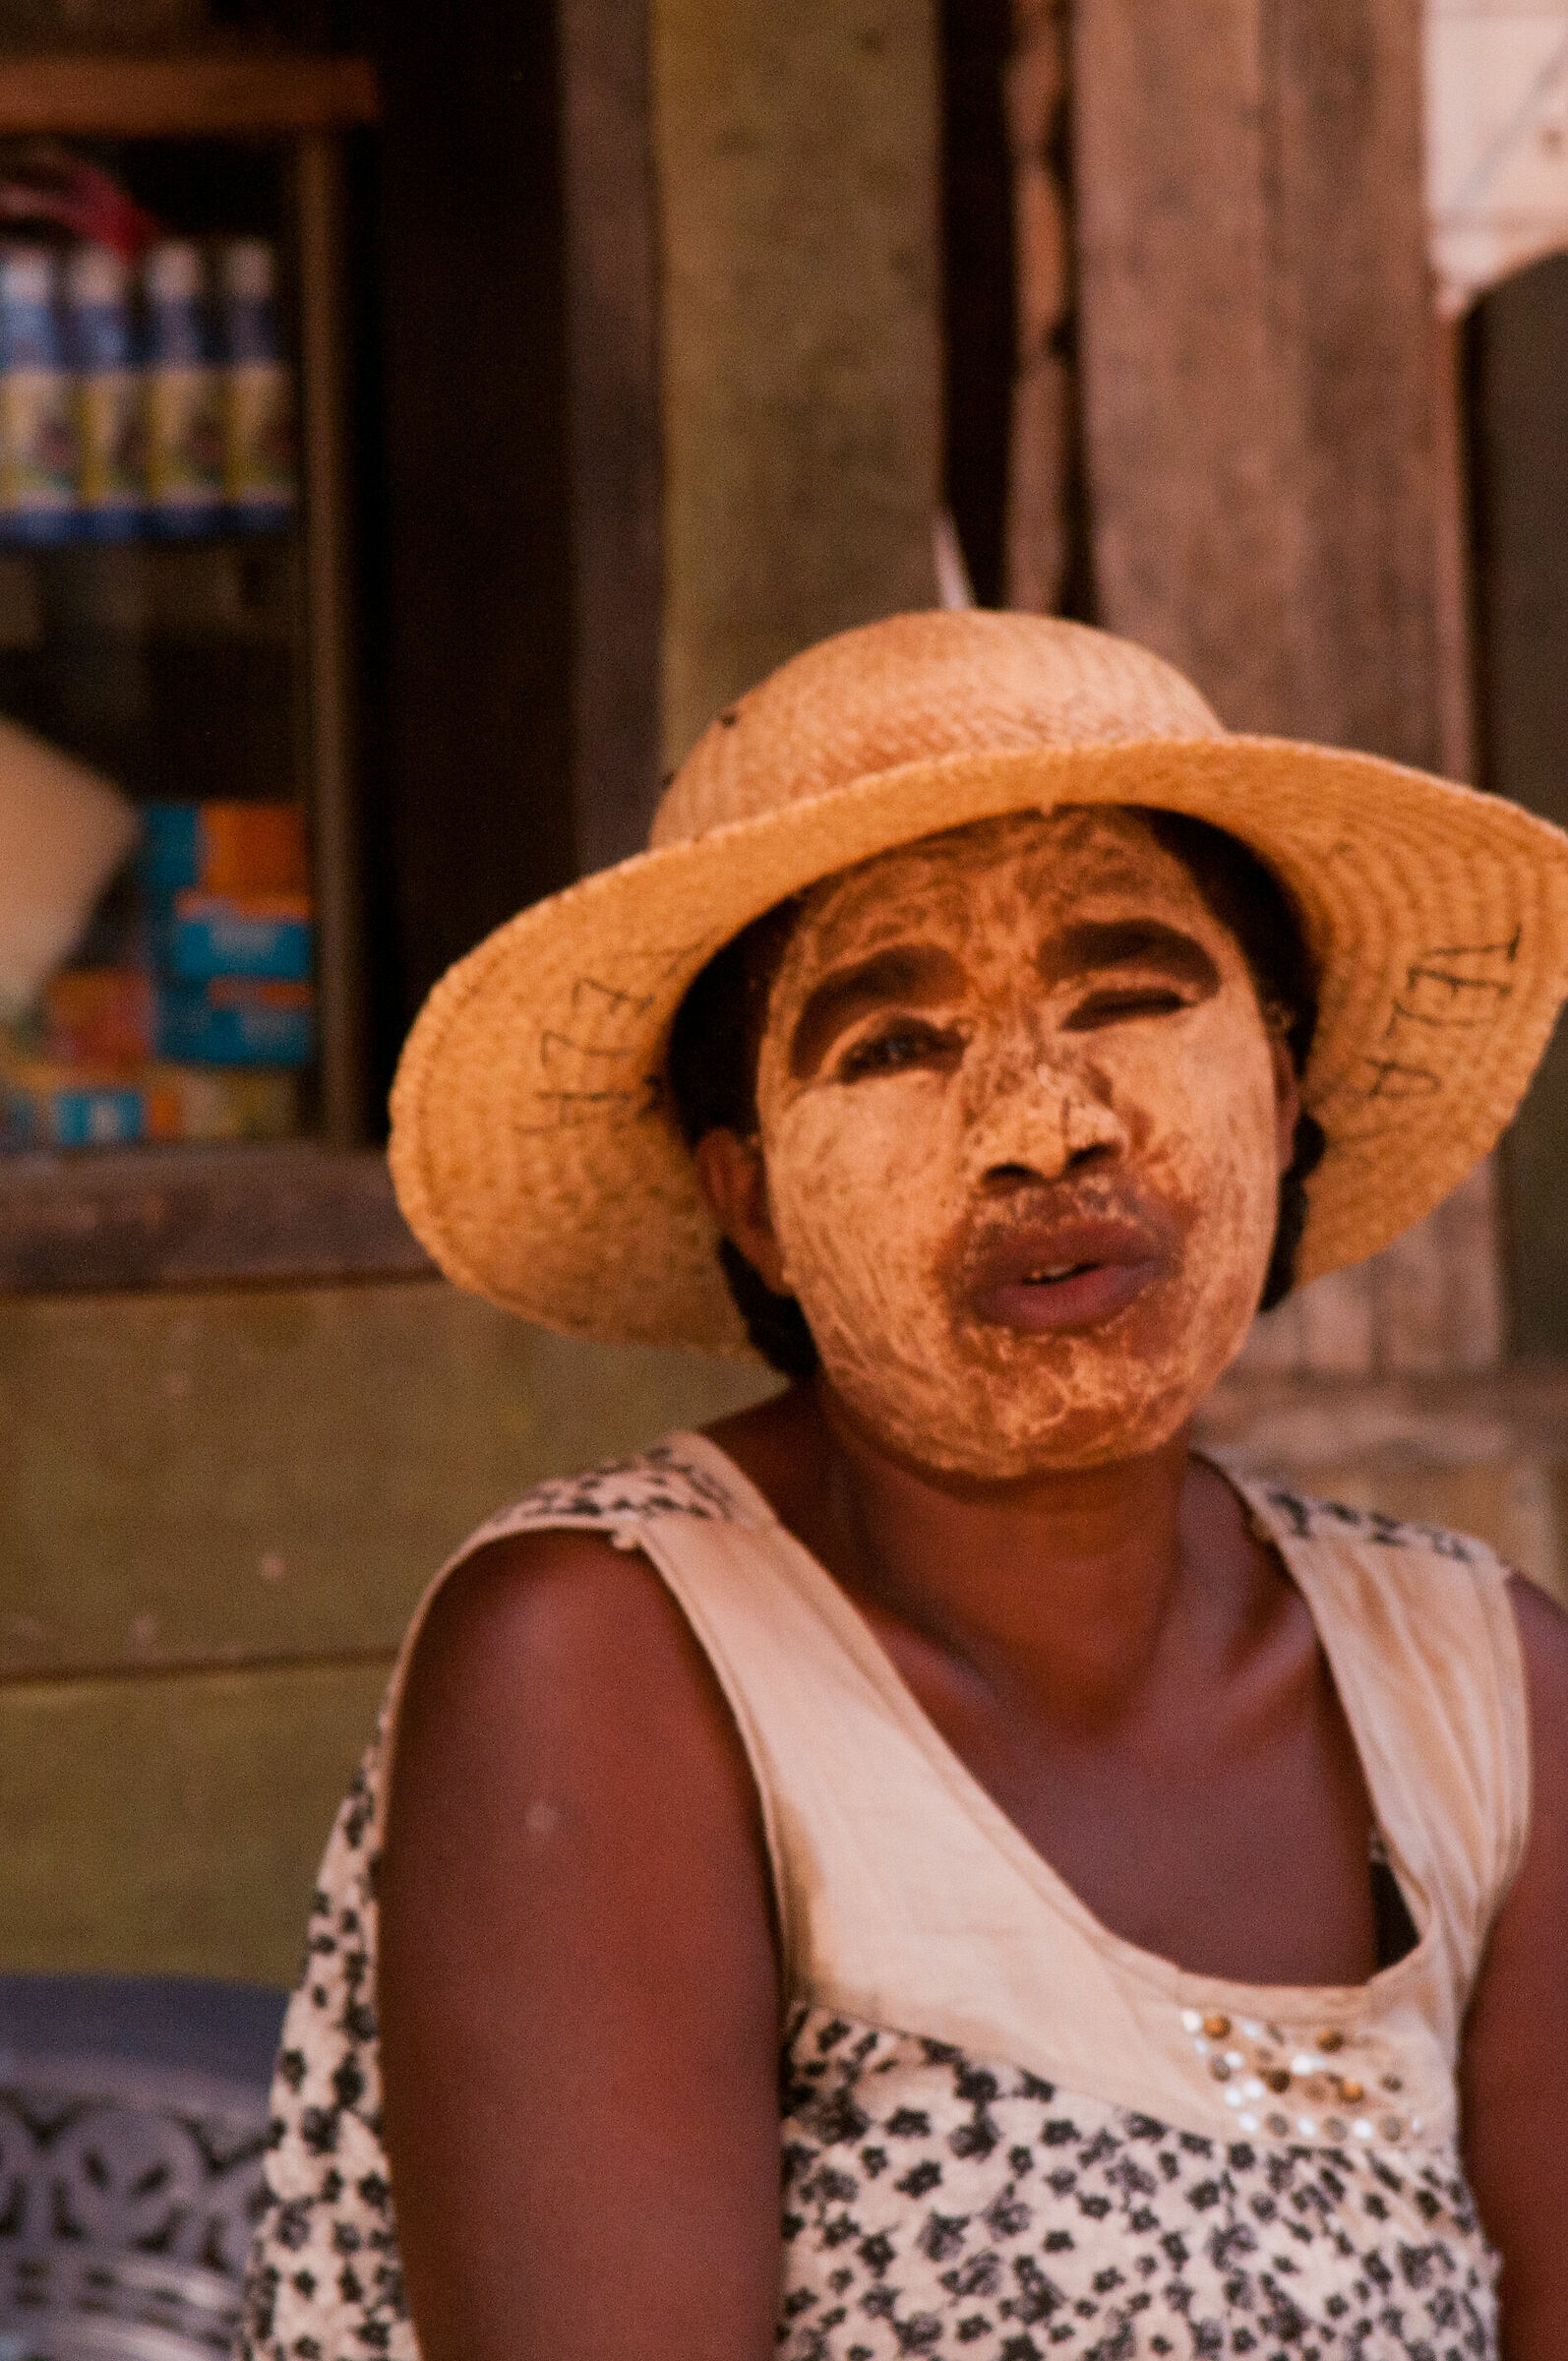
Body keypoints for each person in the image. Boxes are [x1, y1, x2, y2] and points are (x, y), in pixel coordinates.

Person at [240, 612, 1568, 2361]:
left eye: (1130, 997)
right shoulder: (610, 1662)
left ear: (1281, 1078)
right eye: (891, 1046)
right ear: (755, 1206)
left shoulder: (1482, 1690)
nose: (1044, 1124)